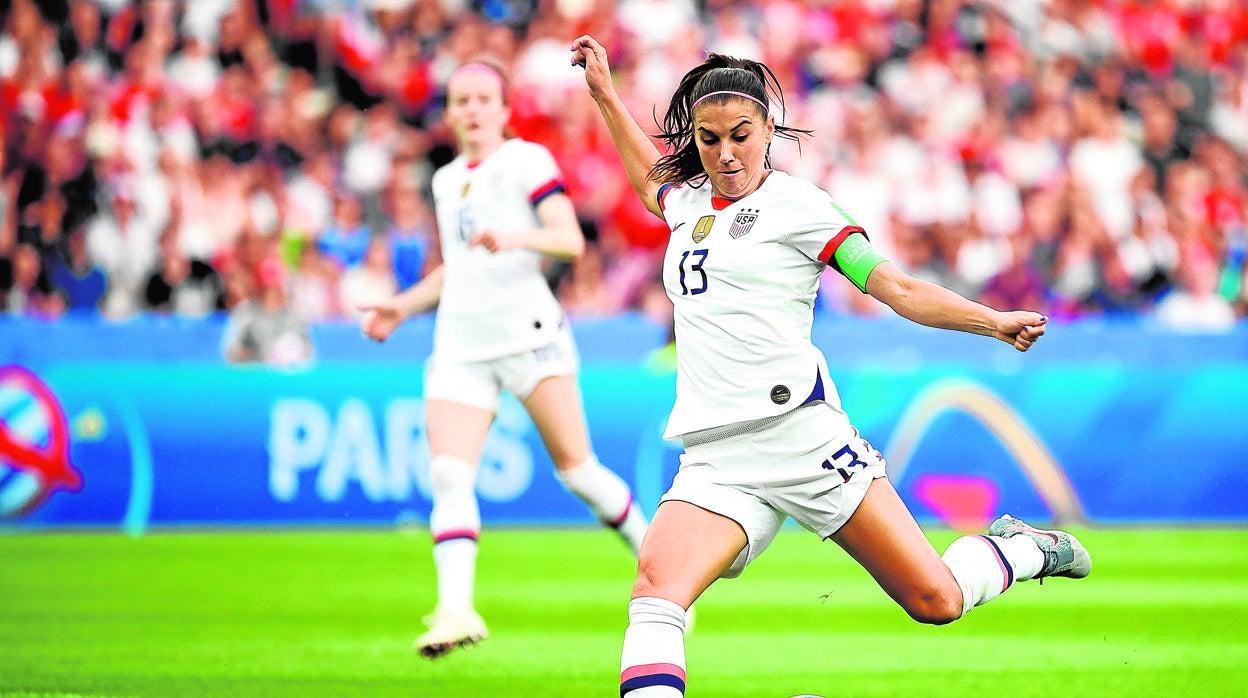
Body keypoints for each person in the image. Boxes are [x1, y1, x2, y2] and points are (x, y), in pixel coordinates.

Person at [570, 35, 1092, 697]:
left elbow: (895, 287)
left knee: (936, 599)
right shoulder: (688, 204)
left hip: (804, 440)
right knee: (655, 591)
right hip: (716, 457)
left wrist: (990, 321)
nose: (725, 153)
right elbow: (652, 183)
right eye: (709, 139)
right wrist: (605, 93)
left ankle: (1020, 548)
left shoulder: (802, 208)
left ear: (769, 130)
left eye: (740, 135)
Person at [358, 60, 649, 659]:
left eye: (482, 99)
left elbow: (569, 240)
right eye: (460, 100)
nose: (471, 110)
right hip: (461, 343)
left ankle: (662, 571)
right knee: (448, 474)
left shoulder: (527, 161)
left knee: (579, 472)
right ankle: (455, 610)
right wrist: (401, 307)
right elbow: (458, 267)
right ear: (448, 112)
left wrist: (515, 237)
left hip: (528, 336)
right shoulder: (446, 181)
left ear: (504, 109)